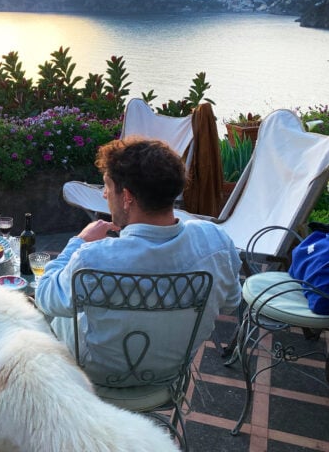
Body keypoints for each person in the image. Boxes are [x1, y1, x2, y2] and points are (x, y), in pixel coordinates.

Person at [34, 136, 242, 387]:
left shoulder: (93, 258)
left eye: (107, 186)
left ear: (127, 196)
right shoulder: (215, 241)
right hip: (171, 374)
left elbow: (45, 297)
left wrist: (78, 242)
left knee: (46, 310)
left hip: (96, 377)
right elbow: (231, 303)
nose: (104, 195)